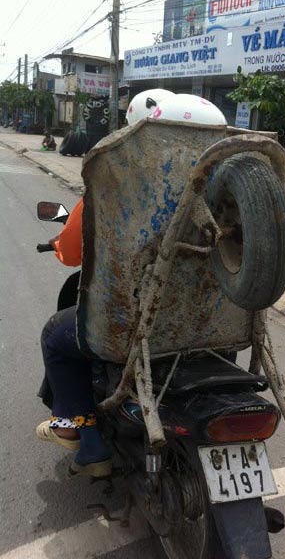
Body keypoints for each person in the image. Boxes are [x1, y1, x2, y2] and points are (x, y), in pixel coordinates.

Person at [36, 89, 176, 477]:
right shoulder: (224, 194)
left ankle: (86, 438)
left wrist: (58, 243)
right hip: (198, 331)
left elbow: (73, 250)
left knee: (54, 336)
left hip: (129, 323)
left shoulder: (116, 184)